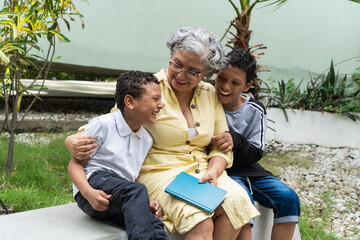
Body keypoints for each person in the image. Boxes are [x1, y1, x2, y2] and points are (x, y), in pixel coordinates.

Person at [65, 27, 260, 240]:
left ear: (207, 73)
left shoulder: (209, 94)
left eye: (193, 71)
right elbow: (117, 119)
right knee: (199, 219)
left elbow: (221, 146)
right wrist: (73, 140)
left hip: (205, 172)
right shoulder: (149, 88)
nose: (180, 74)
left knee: (235, 204)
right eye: (177, 63)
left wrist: (214, 171)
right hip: (160, 173)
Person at [67, 71, 169, 240]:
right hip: (93, 187)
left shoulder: (146, 139)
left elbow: (128, 184)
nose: (161, 104)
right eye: (155, 99)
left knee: (154, 223)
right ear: (130, 101)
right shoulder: (103, 125)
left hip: (118, 196)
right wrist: (88, 193)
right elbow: (74, 164)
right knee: (136, 190)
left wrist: (142, 204)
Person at [211, 48, 301, 240]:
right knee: (242, 199)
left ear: (247, 85)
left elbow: (256, 152)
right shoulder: (206, 100)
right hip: (223, 172)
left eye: (235, 83)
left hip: (251, 170)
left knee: (289, 197)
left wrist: (235, 140)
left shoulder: (255, 110)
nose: (225, 87)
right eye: (222, 78)